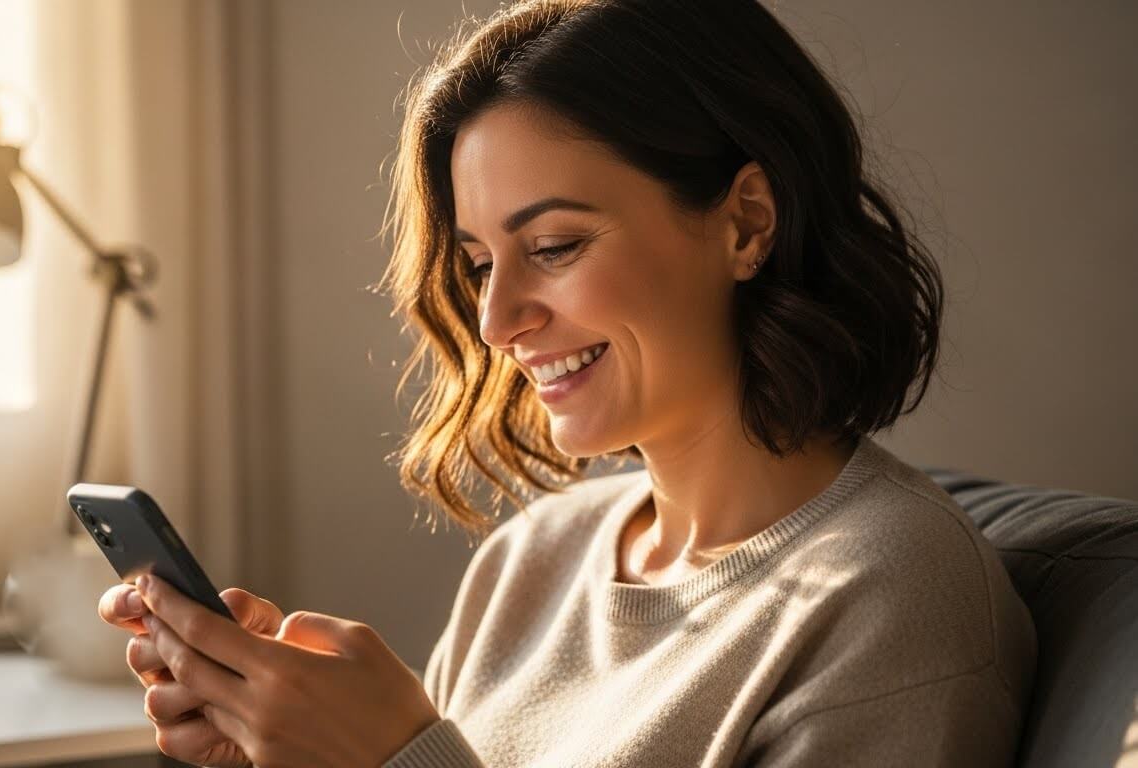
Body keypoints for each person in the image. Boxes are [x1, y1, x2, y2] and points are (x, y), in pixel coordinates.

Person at [98, 0, 1037, 765]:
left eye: (553, 247)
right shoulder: (533, 561)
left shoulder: (892, 595)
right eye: (477, 265)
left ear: (747, 223)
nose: (498, 322)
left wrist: (396, 759)